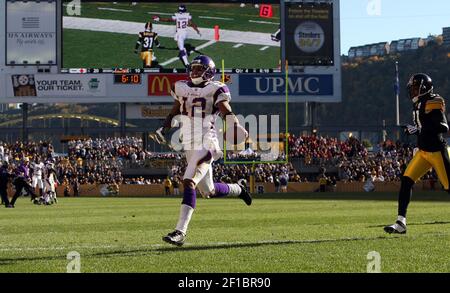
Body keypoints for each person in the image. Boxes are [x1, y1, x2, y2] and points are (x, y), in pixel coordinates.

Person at [154, 55, 252, 246]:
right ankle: (239, 189)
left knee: (188, 180)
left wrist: (235, 126)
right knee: (209, 191)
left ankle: (180, 232)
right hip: (190, 144)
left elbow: (225, 110)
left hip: (207, 142)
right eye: (194, 68)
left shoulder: (215, 88)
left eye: (200, 69)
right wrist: (165, 126)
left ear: (209, 72)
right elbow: (178, 106)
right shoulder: (181, 87)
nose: (195, 72)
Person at [385, 73, 449, 234]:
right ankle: (401, 223)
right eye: (412, 88)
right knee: (406, 181)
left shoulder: (434, 101)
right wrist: (417, 133)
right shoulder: (419, 103)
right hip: (423, 152)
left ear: (424, 88)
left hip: (436, 151)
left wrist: (419, 129)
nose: (412, 91)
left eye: (415, 88)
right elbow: (425, 128)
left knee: (448, 186)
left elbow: (443, 127)